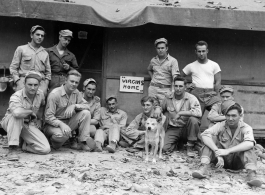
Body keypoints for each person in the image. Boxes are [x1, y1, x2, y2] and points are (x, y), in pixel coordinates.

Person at [192, 100, 262, 187]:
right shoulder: (221, 125)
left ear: (240, 116)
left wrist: (228, 151)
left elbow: (249, 143)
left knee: (248, 147)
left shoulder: (246, 127)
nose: (230, 118)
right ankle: (203, 168)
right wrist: (217, 152)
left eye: (234, 116)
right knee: (210, 140)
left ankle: (251, 175)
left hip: (238, 162)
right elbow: (205, 135)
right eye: (228, 115)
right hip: (221, 162)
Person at [1, 71, 51, 161]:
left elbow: (42, 106)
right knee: (17, 116)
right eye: (30, 84)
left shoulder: (40, 94)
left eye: (35, 85)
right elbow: (16, 113)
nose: (32, 87)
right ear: (24, 84)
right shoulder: (16, 96)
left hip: (28, 123)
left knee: (45, 149)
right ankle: (12, 148)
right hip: (10, 123)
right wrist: (30, 112)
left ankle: (24, 144)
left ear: (39, 85)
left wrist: (39, 119)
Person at [44, 70, 95, 151]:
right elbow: (48, 117)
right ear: (65, 80)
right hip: (53, 125)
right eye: (72, 81)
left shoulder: (76, 92)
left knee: (86, 113)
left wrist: (74, 106)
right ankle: (53, 142)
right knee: (63, 135)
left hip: (68, 122)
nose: (74, 84)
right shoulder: (55, 94)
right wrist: (61, 124)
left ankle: (83, 142)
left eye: (76, 82)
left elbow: (87, 106)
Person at [161, 77, 202, 156]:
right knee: (164, 148)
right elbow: (161, 108)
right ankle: (179, 143)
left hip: (187, 129)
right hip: (173, 128)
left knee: (194, 120)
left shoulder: (191, 98)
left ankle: (190, 146)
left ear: (185, 87)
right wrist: (158, 109)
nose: (178, 89)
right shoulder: (168, 97)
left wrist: (181, 113)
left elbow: (198, 112)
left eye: (180, 86)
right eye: (176, 86)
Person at [181, 41, 221, 115]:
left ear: (207, 51)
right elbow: (179, 78)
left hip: (211, 95)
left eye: (203, 51)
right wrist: (187, 86)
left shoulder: (214, 65)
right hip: (196, 95)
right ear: (196, 52)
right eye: (199, 51)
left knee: (221, 109)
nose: (201, 53)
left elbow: (218, 81)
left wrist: (216, 94)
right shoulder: (191, 65)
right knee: (195, 119)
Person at [10, 25, 51, 96]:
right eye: (37, 34)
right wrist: (18, 82)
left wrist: (45, 85)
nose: (40, 37)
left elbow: (48, 73)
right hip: (24, 81)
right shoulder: (21, 49)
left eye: (42, 36)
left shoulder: (45, 53)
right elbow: (13, 68)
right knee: (21, 104)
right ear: (31, 35)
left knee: (39, 105)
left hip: (40, 83)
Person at [147, 38, 180, 103]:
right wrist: (152, 78)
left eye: (162, 48)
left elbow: (175, 78)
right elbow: (149, 69)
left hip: (165, 90)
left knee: (165, 109)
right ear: (156, 49)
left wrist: (173, 91)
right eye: (158, 48)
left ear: (166, 48)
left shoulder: (173, 61)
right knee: (152, 109)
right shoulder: (153, 60)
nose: (160, 50)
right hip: (153, 89)